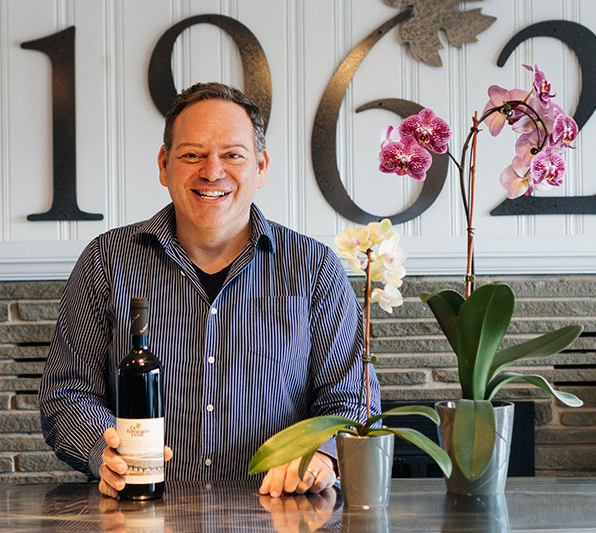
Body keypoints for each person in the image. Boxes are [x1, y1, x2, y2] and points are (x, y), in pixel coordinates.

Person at [38, 82, 381, 499]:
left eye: (233, 155)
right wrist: (101, 450)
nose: (212, 171)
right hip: (140, 516)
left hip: (277, 517)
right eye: (192, 155)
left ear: (261, 165)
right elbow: (66, 393)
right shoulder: (106, 260)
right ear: (164, 165)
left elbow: (353, 402)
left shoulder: (315, 267)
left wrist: (322, 457)